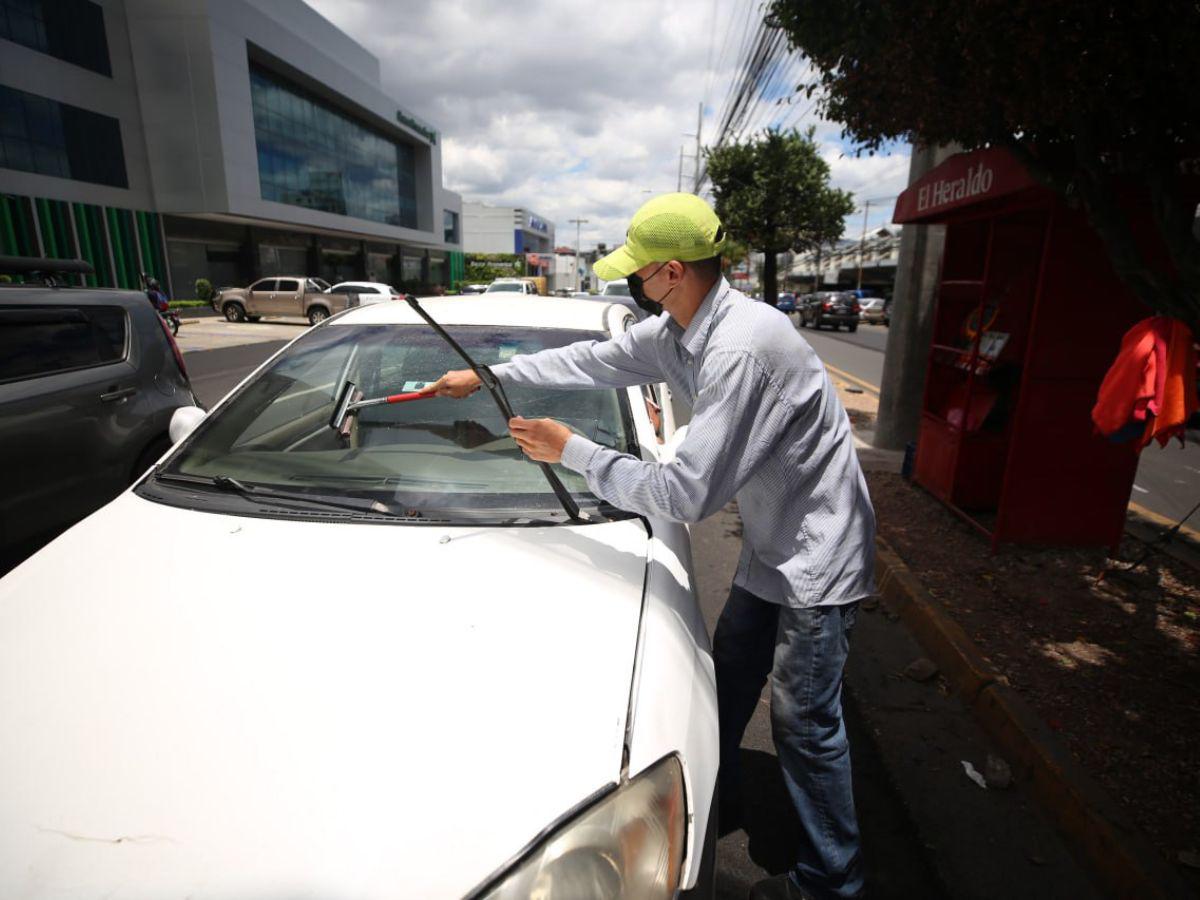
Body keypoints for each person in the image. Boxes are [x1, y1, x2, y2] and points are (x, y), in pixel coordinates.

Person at [428, 193, 875, 900]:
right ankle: (709, 800)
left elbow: (686, 496)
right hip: (771, 541)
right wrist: (489, 376)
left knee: (805, 720)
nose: (631, 284)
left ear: (671, 272)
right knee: (728, 673)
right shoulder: (679, 331)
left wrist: (570, 448)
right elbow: (592, 360)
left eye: (638, 272)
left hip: (818, 553)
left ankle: (832, 882)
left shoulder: (740, 348)